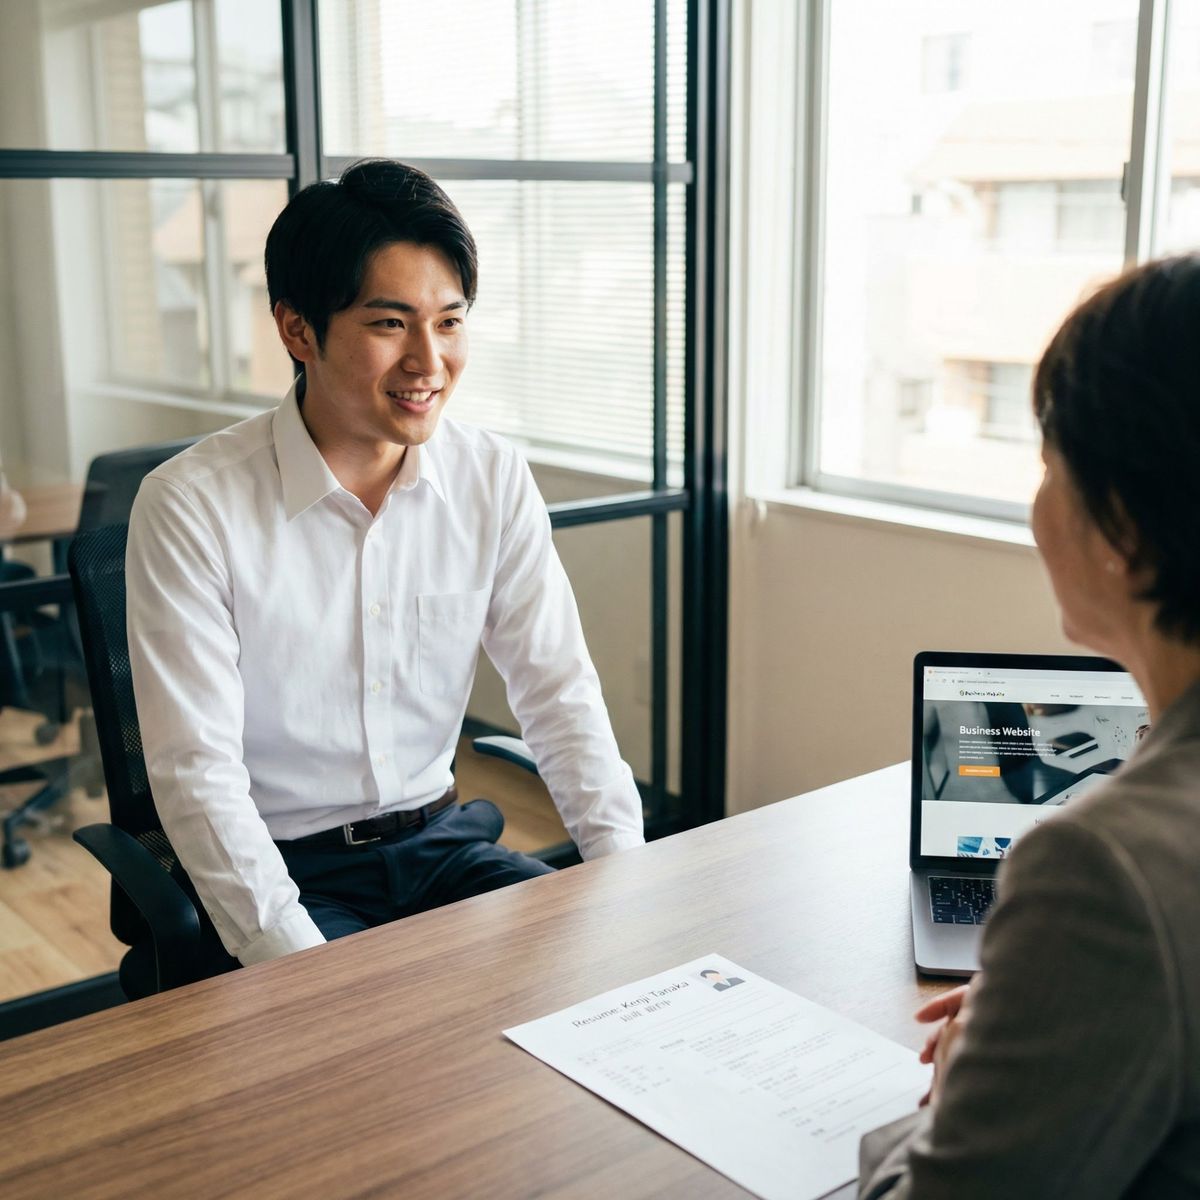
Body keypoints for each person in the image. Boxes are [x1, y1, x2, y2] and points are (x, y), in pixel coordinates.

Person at [126, 159, 644, 969]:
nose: (428, 363)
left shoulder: (490, 476)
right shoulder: (193, 505)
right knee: (370, 1068)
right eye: (389, 324)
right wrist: (299, 969)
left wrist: (631, 882)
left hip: (439, 844)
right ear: (298, 329)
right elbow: (197, 773)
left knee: (589, 981)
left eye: (448, 322)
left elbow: (558, 693)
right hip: (287, 866)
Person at [858, 254, 1200, 1197]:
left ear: (1121, 527)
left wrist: (966, 1079)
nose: (1037, 506)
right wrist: (1059, 1011)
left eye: (1049, 469)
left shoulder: (1103, 869)